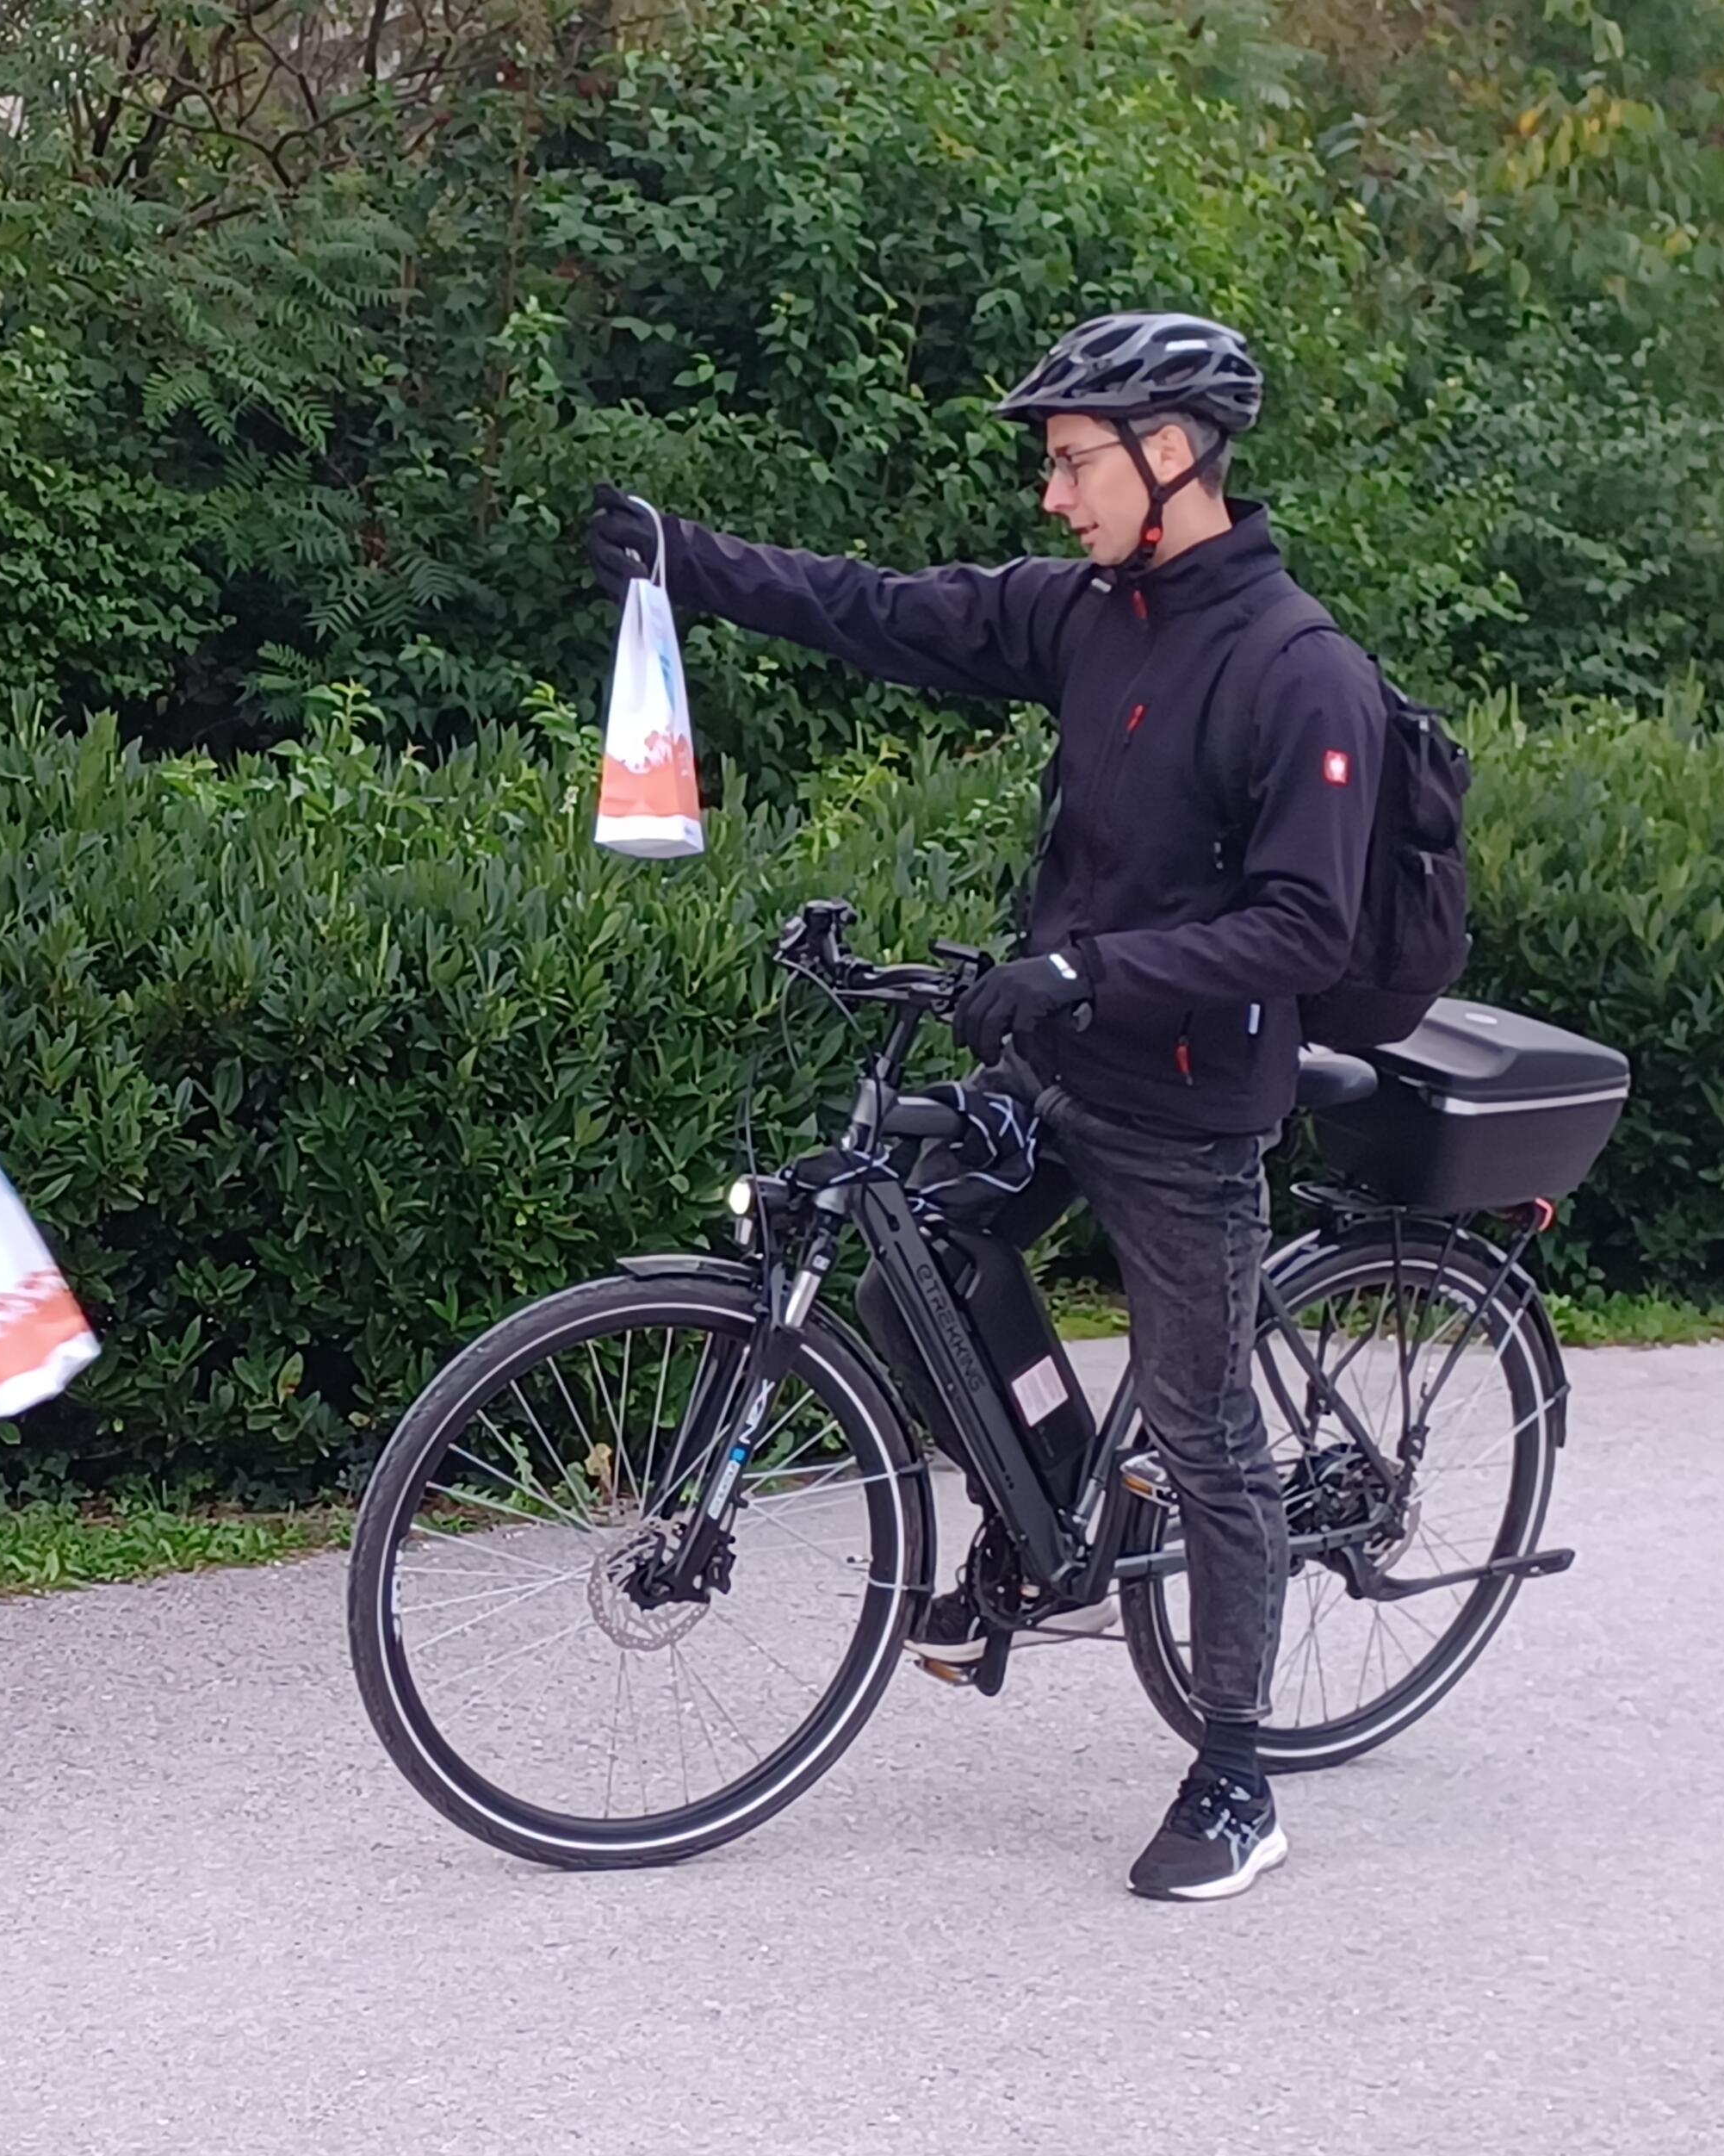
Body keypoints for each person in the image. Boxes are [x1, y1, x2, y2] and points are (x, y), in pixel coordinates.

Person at [588, 311, 1384, 1904]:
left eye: (1073, 461)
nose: (1050, 495)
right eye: (1050, 465)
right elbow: (890, 613)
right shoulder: (1097, 614)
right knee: (911, 1260)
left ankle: (1235, 1774)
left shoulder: (1301, 672)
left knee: (1215, 1435)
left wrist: (1085, 968)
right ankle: (1045, 1517)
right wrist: (688, 561)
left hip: (1186, 1106)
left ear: (1175, 456)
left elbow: (1310, 928)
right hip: (1064, 1062)